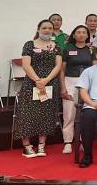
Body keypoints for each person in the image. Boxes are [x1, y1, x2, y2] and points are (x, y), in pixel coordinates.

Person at [14, 19, 63, 158]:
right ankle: (27, 146)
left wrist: (46, 80)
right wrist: (37, 80)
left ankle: (41, 145)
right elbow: (26, 65)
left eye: (50, 28)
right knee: (27, 113)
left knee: (46, 113)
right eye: (44, 28)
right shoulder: (29, 44)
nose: (47, 30)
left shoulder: (56, 46)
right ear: (38, 29)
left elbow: (58, 66)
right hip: (31, 83)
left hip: (50, 83)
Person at [59, 25, 95, 154]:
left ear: (87, 35)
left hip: (87, 83)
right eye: (78, 32)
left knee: (86, 114)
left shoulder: (92, 49)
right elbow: (62, 70)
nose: (81, 35)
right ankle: (68, 142)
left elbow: (95, 69)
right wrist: (63, 88)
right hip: (70, 81)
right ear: (74, 35)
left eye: (83, 32)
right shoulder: (67, 49)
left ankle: (82, 141)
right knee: (69, 113)